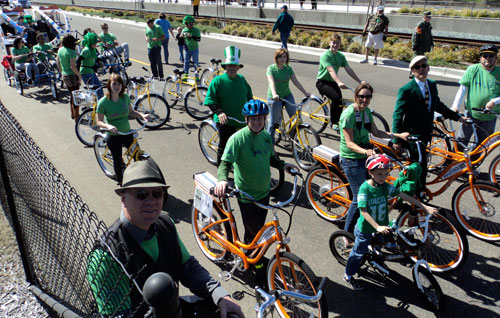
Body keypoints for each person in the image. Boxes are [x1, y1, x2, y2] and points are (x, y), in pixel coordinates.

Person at [86, 160, 245, 318]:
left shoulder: (164, 223)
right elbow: (119, 315)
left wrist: (220, 295)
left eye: (157, 193)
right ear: (123, 198)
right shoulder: (105, 256)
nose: (151, 201)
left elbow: (187, 267)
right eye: (141, 194)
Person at [214, 99, 298, 288]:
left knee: (259, 229)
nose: (257, 122)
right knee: (254, 232)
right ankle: (258, 269)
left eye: (260, 118)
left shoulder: (266, 137)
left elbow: (271, 158)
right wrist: (221, 180)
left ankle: (251, 255)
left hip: (264, 192)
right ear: (246, 119)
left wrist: (284, 165)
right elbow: (225, 163)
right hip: (247, 195)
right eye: (253, 119)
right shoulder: (237, 138)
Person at [343, 154, 438, 290]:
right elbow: (363, 212)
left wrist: (424, 207)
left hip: (381, 226)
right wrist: (377, 227)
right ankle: (348, 275)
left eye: (386, 174)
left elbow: (403, 195)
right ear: (370, 172)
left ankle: (375, 254)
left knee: (384, 243)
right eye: (380, 174)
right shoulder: (364, 189)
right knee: (357, 254)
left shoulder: (385, 186)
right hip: (366, 229)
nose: (384, 177)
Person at [340, 82, 409, 234]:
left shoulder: (366, 112)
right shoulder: (348, 115)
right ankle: (347, 234)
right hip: (351, 158)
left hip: (365, 155)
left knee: (374, 188)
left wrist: (398, 136)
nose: (365, 99)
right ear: (355, 96)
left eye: (368, 97)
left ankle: (371, 223)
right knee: (359, 197)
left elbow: (377, 132)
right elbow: (350, 143)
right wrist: (365, 152)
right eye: (361, 96)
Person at [392, 55, 464, 188]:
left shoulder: (431, 84)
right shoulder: (406, 90)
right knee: (420, 167)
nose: (421, 69)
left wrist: (458, 117)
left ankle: (418, 192)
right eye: (417, 67)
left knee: (421, 166)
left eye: (424, 66)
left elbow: (437, 105)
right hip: (412, 136)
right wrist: (397, 140)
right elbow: (397, 115)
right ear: (412, 71)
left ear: (428, 67)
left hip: (427, 133)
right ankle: (417, 195)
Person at [96, 74, 149, 185]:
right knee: (118, 159)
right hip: (113, 135)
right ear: (109, 85)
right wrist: (108, 126)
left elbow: (132, 112)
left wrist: (142, 115)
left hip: (127, 132)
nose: (117, 86)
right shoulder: (103, 102)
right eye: (114, 84)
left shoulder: (125, 97)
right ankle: (121, 182)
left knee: (136, 154)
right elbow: (99, 121)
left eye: (119, 84)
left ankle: (139, 175)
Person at [204, 45, 253, 165]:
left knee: (244, 146)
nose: (232, 68)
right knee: (225, 146)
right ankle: (222, 174)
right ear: (225, 67)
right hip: (226, 120)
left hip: (242, 120)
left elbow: (249, 97)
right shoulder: (218, 81)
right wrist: (220, 112)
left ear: (238, 67)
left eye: (234, 66)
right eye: (229, 66)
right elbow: (210, 100)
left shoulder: (241, 79)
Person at [451, 44, 500, 150]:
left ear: (496, 58)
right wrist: (455, 106)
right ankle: (455, 165)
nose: (488, 58)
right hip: (471, 114)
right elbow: (462, 89)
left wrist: (494, 101)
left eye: (491, 56)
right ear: (480, 58)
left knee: (482, 146)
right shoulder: (473, 69)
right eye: (485, 56)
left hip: (489, 117)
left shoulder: (499, 73)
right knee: (461, 142)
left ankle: (473, 166)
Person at [316, 33, 364, 129]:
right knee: (336, 98)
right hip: (322, 82)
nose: (335, 45)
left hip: (333, 82)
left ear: (340, 44)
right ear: (329, 43)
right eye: (333, 42)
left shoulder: (340, 56)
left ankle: (337, 120)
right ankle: (334, 122)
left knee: (340, 101)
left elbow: (348, 69)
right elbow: (331, 70)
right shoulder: (325, 56)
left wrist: (360, 81)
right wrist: (339, 82)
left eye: (337, 43)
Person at [266, 48, 310, 144]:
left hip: (287, 95)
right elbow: (271, 82)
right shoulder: (271, 69)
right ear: (276, 58)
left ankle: (292, 138)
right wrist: (274, 94)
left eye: (285, 57)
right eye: (280, 57)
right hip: (275, 98)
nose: (283, 59)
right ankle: (269, 145)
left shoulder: (288, 68)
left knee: (294, 118)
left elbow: (296, 82)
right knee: (273, 123)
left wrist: (305, 93)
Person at [57, 34, 81, 120]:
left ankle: (72, 113)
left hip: (65, 75)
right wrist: (79, 75)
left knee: (71, 95)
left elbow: (58, 63)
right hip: (72, 75)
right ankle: (77, 116)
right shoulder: (72, 52)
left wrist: (61, 72)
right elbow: (72, 67)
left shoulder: (60, 50)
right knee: (76, 96)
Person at [78, 32, 104, 100]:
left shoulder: (92, 49)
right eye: (94, 44)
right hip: (86, 72)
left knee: (99, 87)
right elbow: (78, 60)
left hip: (91, 71)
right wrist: (78, 74)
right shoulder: (86, 50)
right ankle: (89, 106)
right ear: (89, 43)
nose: (95, 45)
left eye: (96, 43)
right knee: (91, 91)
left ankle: (100, 103)